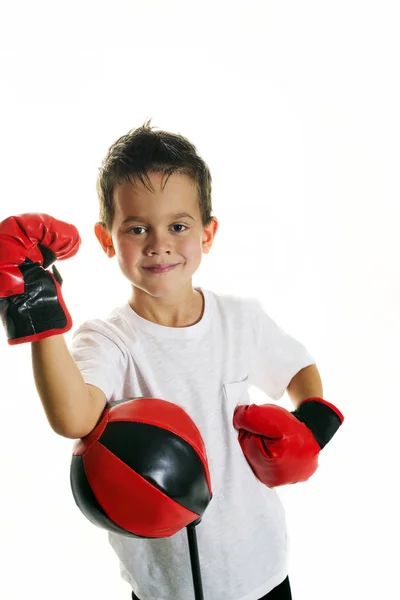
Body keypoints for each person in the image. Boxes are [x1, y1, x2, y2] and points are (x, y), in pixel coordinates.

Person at [0, 120, 343, 600]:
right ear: (106, 239)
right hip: (164, 586)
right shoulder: (109, 340)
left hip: (262, 572)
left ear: (207, 234)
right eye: (137, 228)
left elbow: (299, 369)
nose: (158, 243)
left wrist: (309, 424)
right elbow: (73, 417)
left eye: (177, 226)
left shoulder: (239, 319)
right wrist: (36, 308)